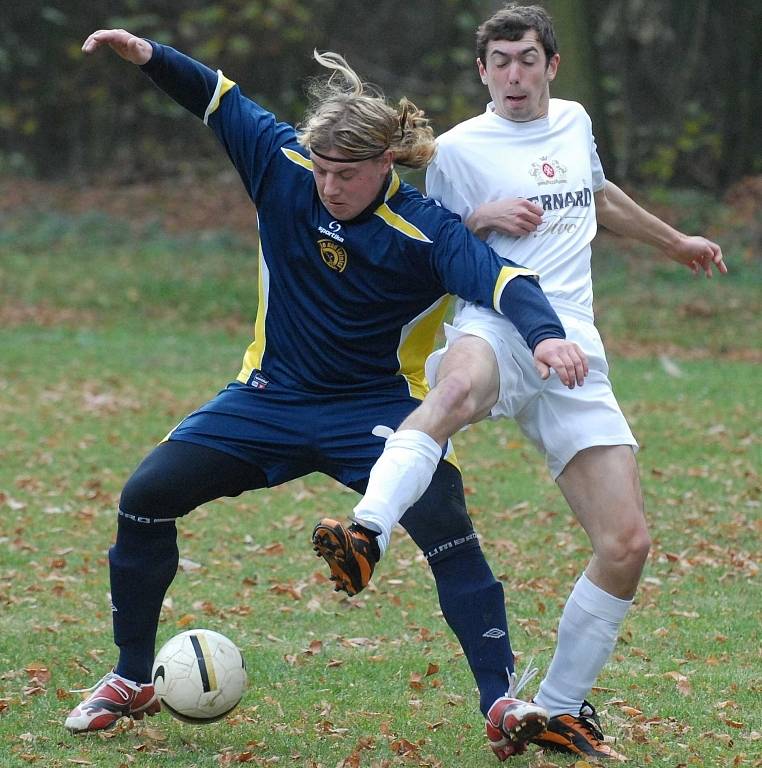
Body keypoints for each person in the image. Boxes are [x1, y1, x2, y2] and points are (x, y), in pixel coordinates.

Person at [68, 28, 589, 760]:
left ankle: (500, 699)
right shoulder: (282, 167)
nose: (329, 185)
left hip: (372, 409)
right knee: (144, 497)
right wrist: (150, 55)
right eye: (321, 169)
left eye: (346, 173)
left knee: (444, 521)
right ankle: (130, 679)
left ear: (384, 164)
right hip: (267, 397)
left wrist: (544, 337)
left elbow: (508, 284)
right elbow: (219, 99)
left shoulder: (428, 230)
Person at [312, 3, 727, 762]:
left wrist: (676, 243)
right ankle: (365, 530)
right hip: (499, 320)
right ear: (481, 71)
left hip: (575, 348)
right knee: (452, 394)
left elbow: (598, 198)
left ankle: (558, 709)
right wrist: (478, 218)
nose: (513, 73)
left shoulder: (573, 122)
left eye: (526, 59)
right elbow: (415, 245)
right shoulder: (459, 151)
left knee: (626, 542)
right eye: (499, 61)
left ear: (550, 65)